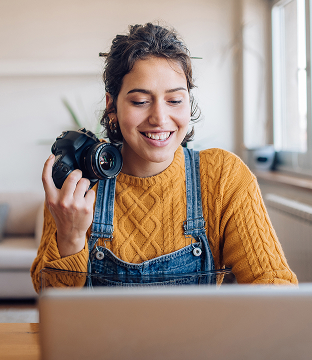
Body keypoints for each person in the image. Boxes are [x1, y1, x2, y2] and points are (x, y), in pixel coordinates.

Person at [31, 23, 297, 292]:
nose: (159, 118)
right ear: (112, 105)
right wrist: (71, 237)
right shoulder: (80, 179)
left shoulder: (223, 177)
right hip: (102, 336)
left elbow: (274, 288)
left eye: (174, 100)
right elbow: (54, 306)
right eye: (140, 101)